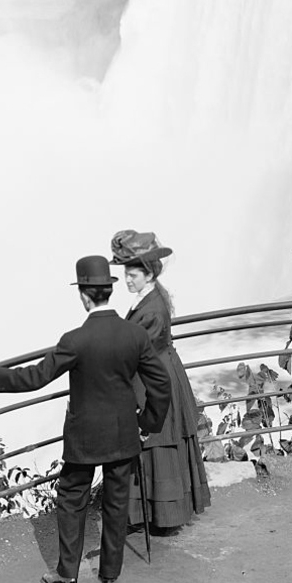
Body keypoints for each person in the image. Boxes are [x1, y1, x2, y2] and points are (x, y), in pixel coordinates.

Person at [0, 255, 171, 583]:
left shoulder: (75, 340)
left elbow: (36, 377)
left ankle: (67, 574)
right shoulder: (134, 334)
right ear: (108, 291)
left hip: (84, 438)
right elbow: (161, 385)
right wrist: (146, 423)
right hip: (124, 431)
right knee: (116, 498)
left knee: (71, 497)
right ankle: (110, 570)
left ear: (83, 295)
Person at [110, 229, 211, 534]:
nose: (128, 279)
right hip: (160, 369)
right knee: (158, 441)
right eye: (126, 272)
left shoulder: (151, 307)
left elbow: (136, 350)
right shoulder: (151, 297)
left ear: (148, 272)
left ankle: (162, 516)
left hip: (154, 376)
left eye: (134, 273)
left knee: (158, 439)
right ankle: (154, 513)